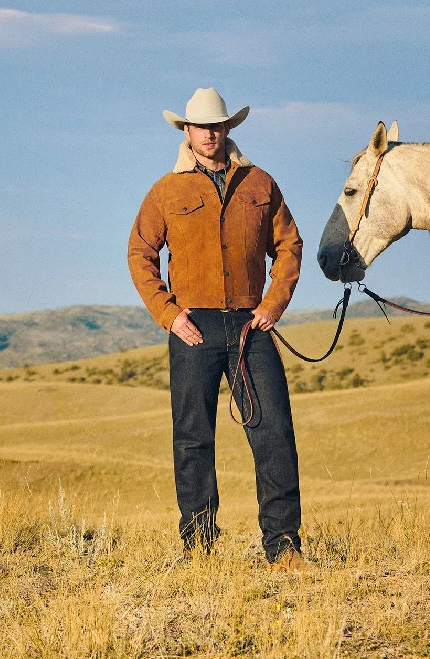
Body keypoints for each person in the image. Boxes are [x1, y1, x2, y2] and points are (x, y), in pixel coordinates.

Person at [128, 87, 305, 571]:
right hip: (193, 327)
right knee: (192, 438)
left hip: (252, 324)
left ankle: (284, 549)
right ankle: (200, 551)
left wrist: (272, 305)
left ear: (229, 128)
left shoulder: (260, 183)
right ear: (186, 131)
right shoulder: (166, 191)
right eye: (200, 125)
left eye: (217, 124)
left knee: (274, 433)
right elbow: (140, 254)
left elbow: (289, 246)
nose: (209, 133)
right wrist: (169, 314)